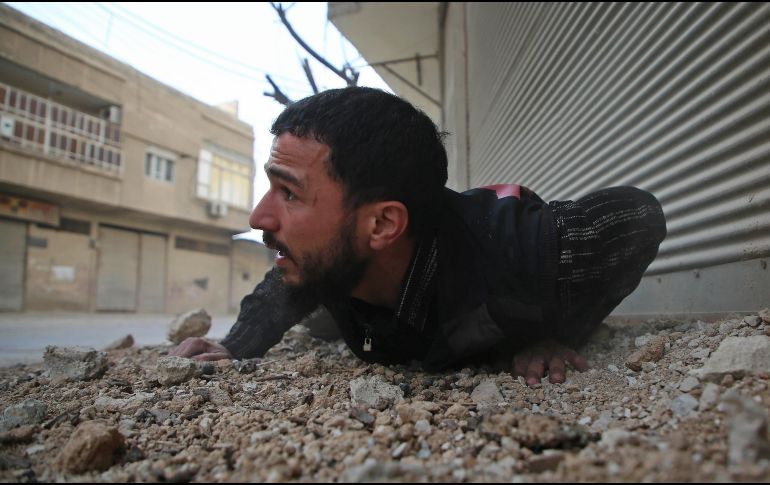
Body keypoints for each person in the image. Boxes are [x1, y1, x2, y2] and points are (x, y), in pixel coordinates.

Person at [171, 87, 666, 386]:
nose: (259, 216)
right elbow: (285, 282)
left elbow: (635, 215)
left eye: (290, 193)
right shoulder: (326, 260)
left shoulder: (514, 252)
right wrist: (238, 345)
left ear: (382, 224)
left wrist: (557, 328)